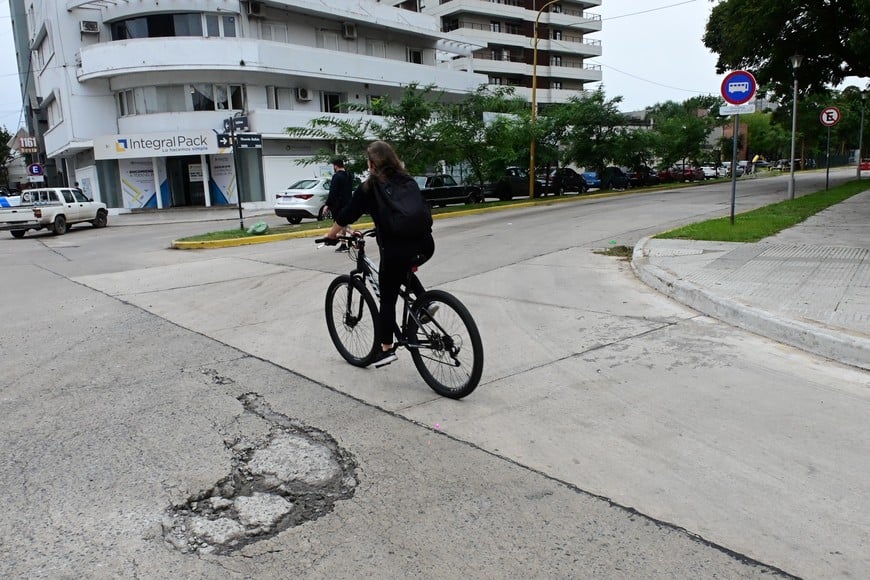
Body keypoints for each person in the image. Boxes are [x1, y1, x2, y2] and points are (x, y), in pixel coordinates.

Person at [323, 140, 435, 368]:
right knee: (402, 269)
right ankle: (424, 304)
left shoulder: (370, 187)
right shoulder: (407, 179)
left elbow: (346, 215)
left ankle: (385, 349)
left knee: (388, 297)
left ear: (372, 164)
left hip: (397, 249)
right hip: (425, 244)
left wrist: (331, 235)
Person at [326, 157, 353, 252]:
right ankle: (345, 242)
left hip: (338, 204)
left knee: (340, 223)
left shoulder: (337, 176)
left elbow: (333, 192)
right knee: (343, 224)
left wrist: (327, 205)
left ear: (335, 166)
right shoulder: (349, 175)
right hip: (348, 203)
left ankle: (345, 243)